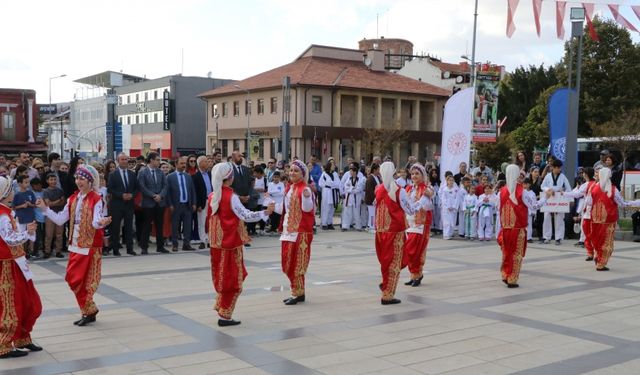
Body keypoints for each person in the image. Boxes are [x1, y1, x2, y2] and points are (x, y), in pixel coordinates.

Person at [37, 166, 111, 325]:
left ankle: (87, 311)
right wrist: (45, 209)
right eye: (77, 178)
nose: (78, 182)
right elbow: (60, 219)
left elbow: (95, 221)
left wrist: (101, 222)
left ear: (90, 181)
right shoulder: (73, 199)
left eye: (82, 179)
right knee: (73, 278)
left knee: (85, 280)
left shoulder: (97, 198)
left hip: (90, 245)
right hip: (76, 244)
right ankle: (89, 309)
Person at [206, 163, 273, 326]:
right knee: (232, 279)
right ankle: (225, 314)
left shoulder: (213, 196)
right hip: (230, 244)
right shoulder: (230, 197)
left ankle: (222, 308)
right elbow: (246, 215)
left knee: (222, 277)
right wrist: (265, 212)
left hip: (217, 244)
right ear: (230, 177)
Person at [375, 162, 430, 305]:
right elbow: (411, 210)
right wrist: (424, 199)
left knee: (385, 262)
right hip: (395, 231)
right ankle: (388, 294)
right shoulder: (399, 190)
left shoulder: (379, 189)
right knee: (394, 262)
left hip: (380, 232)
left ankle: (386, 284)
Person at [0, 176, 42, 359]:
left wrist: (27, 232)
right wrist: (27, 233)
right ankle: (4, 343)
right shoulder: (2, 215)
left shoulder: (7, 212)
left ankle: (22, 337)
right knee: (11, 304)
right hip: (7, 265)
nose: (13, 192)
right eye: (10, 190)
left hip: (16, 262)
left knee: (27, 300)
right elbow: (9, 239)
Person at [271, 160, 315, 305]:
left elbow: (308, 209)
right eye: (291, 170)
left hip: (300, 232)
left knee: (297, 264)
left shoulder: (304, 189)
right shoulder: (289, 188)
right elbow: (285, 210)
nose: (292, 173)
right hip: (288, 231)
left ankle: (297, 293)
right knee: (287, 263)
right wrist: (269, 206)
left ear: (302, 174)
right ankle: (297, 291)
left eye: (296, 171)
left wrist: (308, 197)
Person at [498, 165, 549, 288]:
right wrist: (546, 197)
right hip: (517, 228)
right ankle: (512, 278)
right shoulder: (522, 191)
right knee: (516, 254)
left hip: (505, 228)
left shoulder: (502, 191)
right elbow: (534, 206)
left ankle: (505, 274)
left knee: (506, 253)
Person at [581, 168, 640, 271]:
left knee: (597, 240)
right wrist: (636, 202)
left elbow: (588, 202)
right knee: (606, 242)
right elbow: (623, 204)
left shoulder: (593, 187)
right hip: (608, 220)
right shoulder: (613, 189)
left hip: (594, 219)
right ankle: (601, 264)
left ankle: (597, 256)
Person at [401, 163, 434, 287]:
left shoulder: (426, 188)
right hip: (409, 223)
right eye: (412, 174)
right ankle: (414, 274)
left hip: (421, 223)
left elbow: (428, 204)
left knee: (415, 250)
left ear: (422, 175)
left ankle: (417, 273)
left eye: (417, 173)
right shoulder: (408, 188)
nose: (414, 176)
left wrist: (418, 203)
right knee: (408, 250)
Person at [137, 152, 169, 254]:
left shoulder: (160, 172)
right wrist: (153, 195)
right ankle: (144, 247)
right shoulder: (143, 172)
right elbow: (142, 186)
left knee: (159, 225)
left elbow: (165, 185)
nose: (159, 162)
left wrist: (160, 195)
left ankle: (160, 246)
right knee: (146, 225)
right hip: (148, 203)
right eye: (157, 160)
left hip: (160, 203)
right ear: (151, 160)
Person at [107, 153, 138, 256]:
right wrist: (121, 195)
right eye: (122, 159)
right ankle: (115, 249)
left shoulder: (132, 174)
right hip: (117, 205)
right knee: (115, 227)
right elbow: (110, 189)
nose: (125, 161)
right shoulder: (113, 174)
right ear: (118, 161)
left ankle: (130, 249)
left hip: (129, 204)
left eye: (126, 159)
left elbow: (136, 188)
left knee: (129, 227)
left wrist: (132, 195)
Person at [166, 157, 197, 251]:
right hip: (176, 205)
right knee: (175, 226)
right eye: (181, 163)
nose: (184, 165)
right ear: (176, 164)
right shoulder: (170, 177)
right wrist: (170, 204)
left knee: (188, 225)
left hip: (187, 205)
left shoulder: (188, 176)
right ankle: (175, 244)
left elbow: (192, 190)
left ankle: (186, 244)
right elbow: (168, 192)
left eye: (185, 163)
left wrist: (194, 203)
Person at [540, 159, 571, 245]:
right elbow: (543, 186)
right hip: (549, 197)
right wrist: (548, 189)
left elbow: (568, 188)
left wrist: (563, 191)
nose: (559, 169)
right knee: (546, 217)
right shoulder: (548, 176)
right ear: (553, 168)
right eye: (557, 168)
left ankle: (558, 238)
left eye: (560, 168)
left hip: (559, 198)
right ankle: (546, 237)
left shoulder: (563, 177)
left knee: (559, 218)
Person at [43, 173, 66, 259]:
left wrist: (55, 202)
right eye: (51, 180)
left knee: (59, 234)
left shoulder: (60, 190)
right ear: (47, 181)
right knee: (49, 234)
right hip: (49, 214)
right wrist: (58, 201)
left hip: (59, 214)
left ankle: (58, 251)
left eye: (54, 179)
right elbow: (48, 204)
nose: (53, 181)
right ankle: (47, 251)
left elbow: (63, 202)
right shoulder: (46, 191)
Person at [193, 155, 213, 249]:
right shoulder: (196, 176)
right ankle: (202, 240)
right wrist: (198, 204)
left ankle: (209, 239)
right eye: (205, 161)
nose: (208, 163)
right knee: (201, 221)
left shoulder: (210, 174)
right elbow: (195, 192)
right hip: (202, 202)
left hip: (211, 201)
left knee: (210, 221)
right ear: (200, 164)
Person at [341, 165, 365, 231]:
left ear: (355, 172)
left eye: (351, 171)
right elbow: (346, 187)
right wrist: (352, 188)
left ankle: (358, 226)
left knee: (356, 213)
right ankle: (345, 226)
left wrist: (351, 189)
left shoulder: (360, 179)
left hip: (356, 198)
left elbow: (359, 189)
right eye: (350, 171)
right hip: (349, 198)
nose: (350, 173)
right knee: (347, 212)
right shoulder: (349, 179)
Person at [318, 162, 340, 230]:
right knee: (326, 208)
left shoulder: (335, 174)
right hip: (327, 192)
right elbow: (321, 183)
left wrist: (331, 184)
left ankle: (329, 223)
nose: (334, 166)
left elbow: (338, 183)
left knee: (331, 208)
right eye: (333, 165)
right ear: (329, 166)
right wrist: (330, 184)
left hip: (333, 192)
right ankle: (324, 223)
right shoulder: (324, 174)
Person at [440, 175, 460, 240]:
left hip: (453, 208)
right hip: (447, 209)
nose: (451, 181)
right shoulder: (445, 189)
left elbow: (457, 199)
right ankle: (446, 234)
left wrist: (454, 206)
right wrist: (447, 206)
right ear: (447, 181)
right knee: (446, 222)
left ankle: (450, 233)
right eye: (449, 180)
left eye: (452, 180)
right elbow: (443, 199)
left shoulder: (456, 189)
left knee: (452, 222)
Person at [364, 163, 381, 233]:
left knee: (374, 213)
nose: (379, 171)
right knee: (372, 214)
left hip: (376, 199)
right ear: (374, 170)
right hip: (371, 200)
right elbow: (370, 191)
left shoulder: (377, 177)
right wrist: (375, 198)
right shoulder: (370, 178)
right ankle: (371, 227)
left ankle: (371, 225)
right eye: (378, 170)